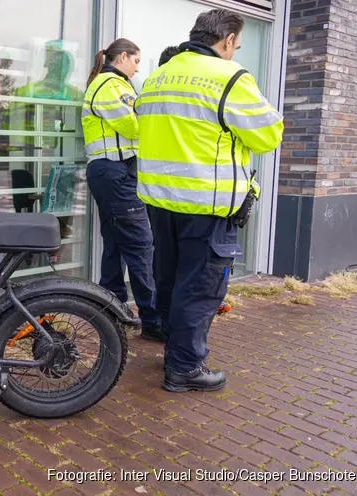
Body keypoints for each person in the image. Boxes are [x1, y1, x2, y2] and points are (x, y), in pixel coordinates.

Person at [134, 9, 284, 391]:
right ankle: (184, 368)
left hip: (160, 202)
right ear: (228, 40)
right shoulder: (229, 77)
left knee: (168, 281)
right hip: (207, 204)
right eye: (237, 45)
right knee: (199, 288)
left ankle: (174, 350)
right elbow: (268, 135)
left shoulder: (157, 77)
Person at [81, 38, 162, 340]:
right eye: (137, 61)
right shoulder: (110, 85)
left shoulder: (115, 85)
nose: (138, 68)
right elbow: (134, 127)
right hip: (114, 171)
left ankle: (111, 311)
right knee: (141, 244)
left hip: (113, 171)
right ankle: (154, 321)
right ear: (123, 57)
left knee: (116, 243)